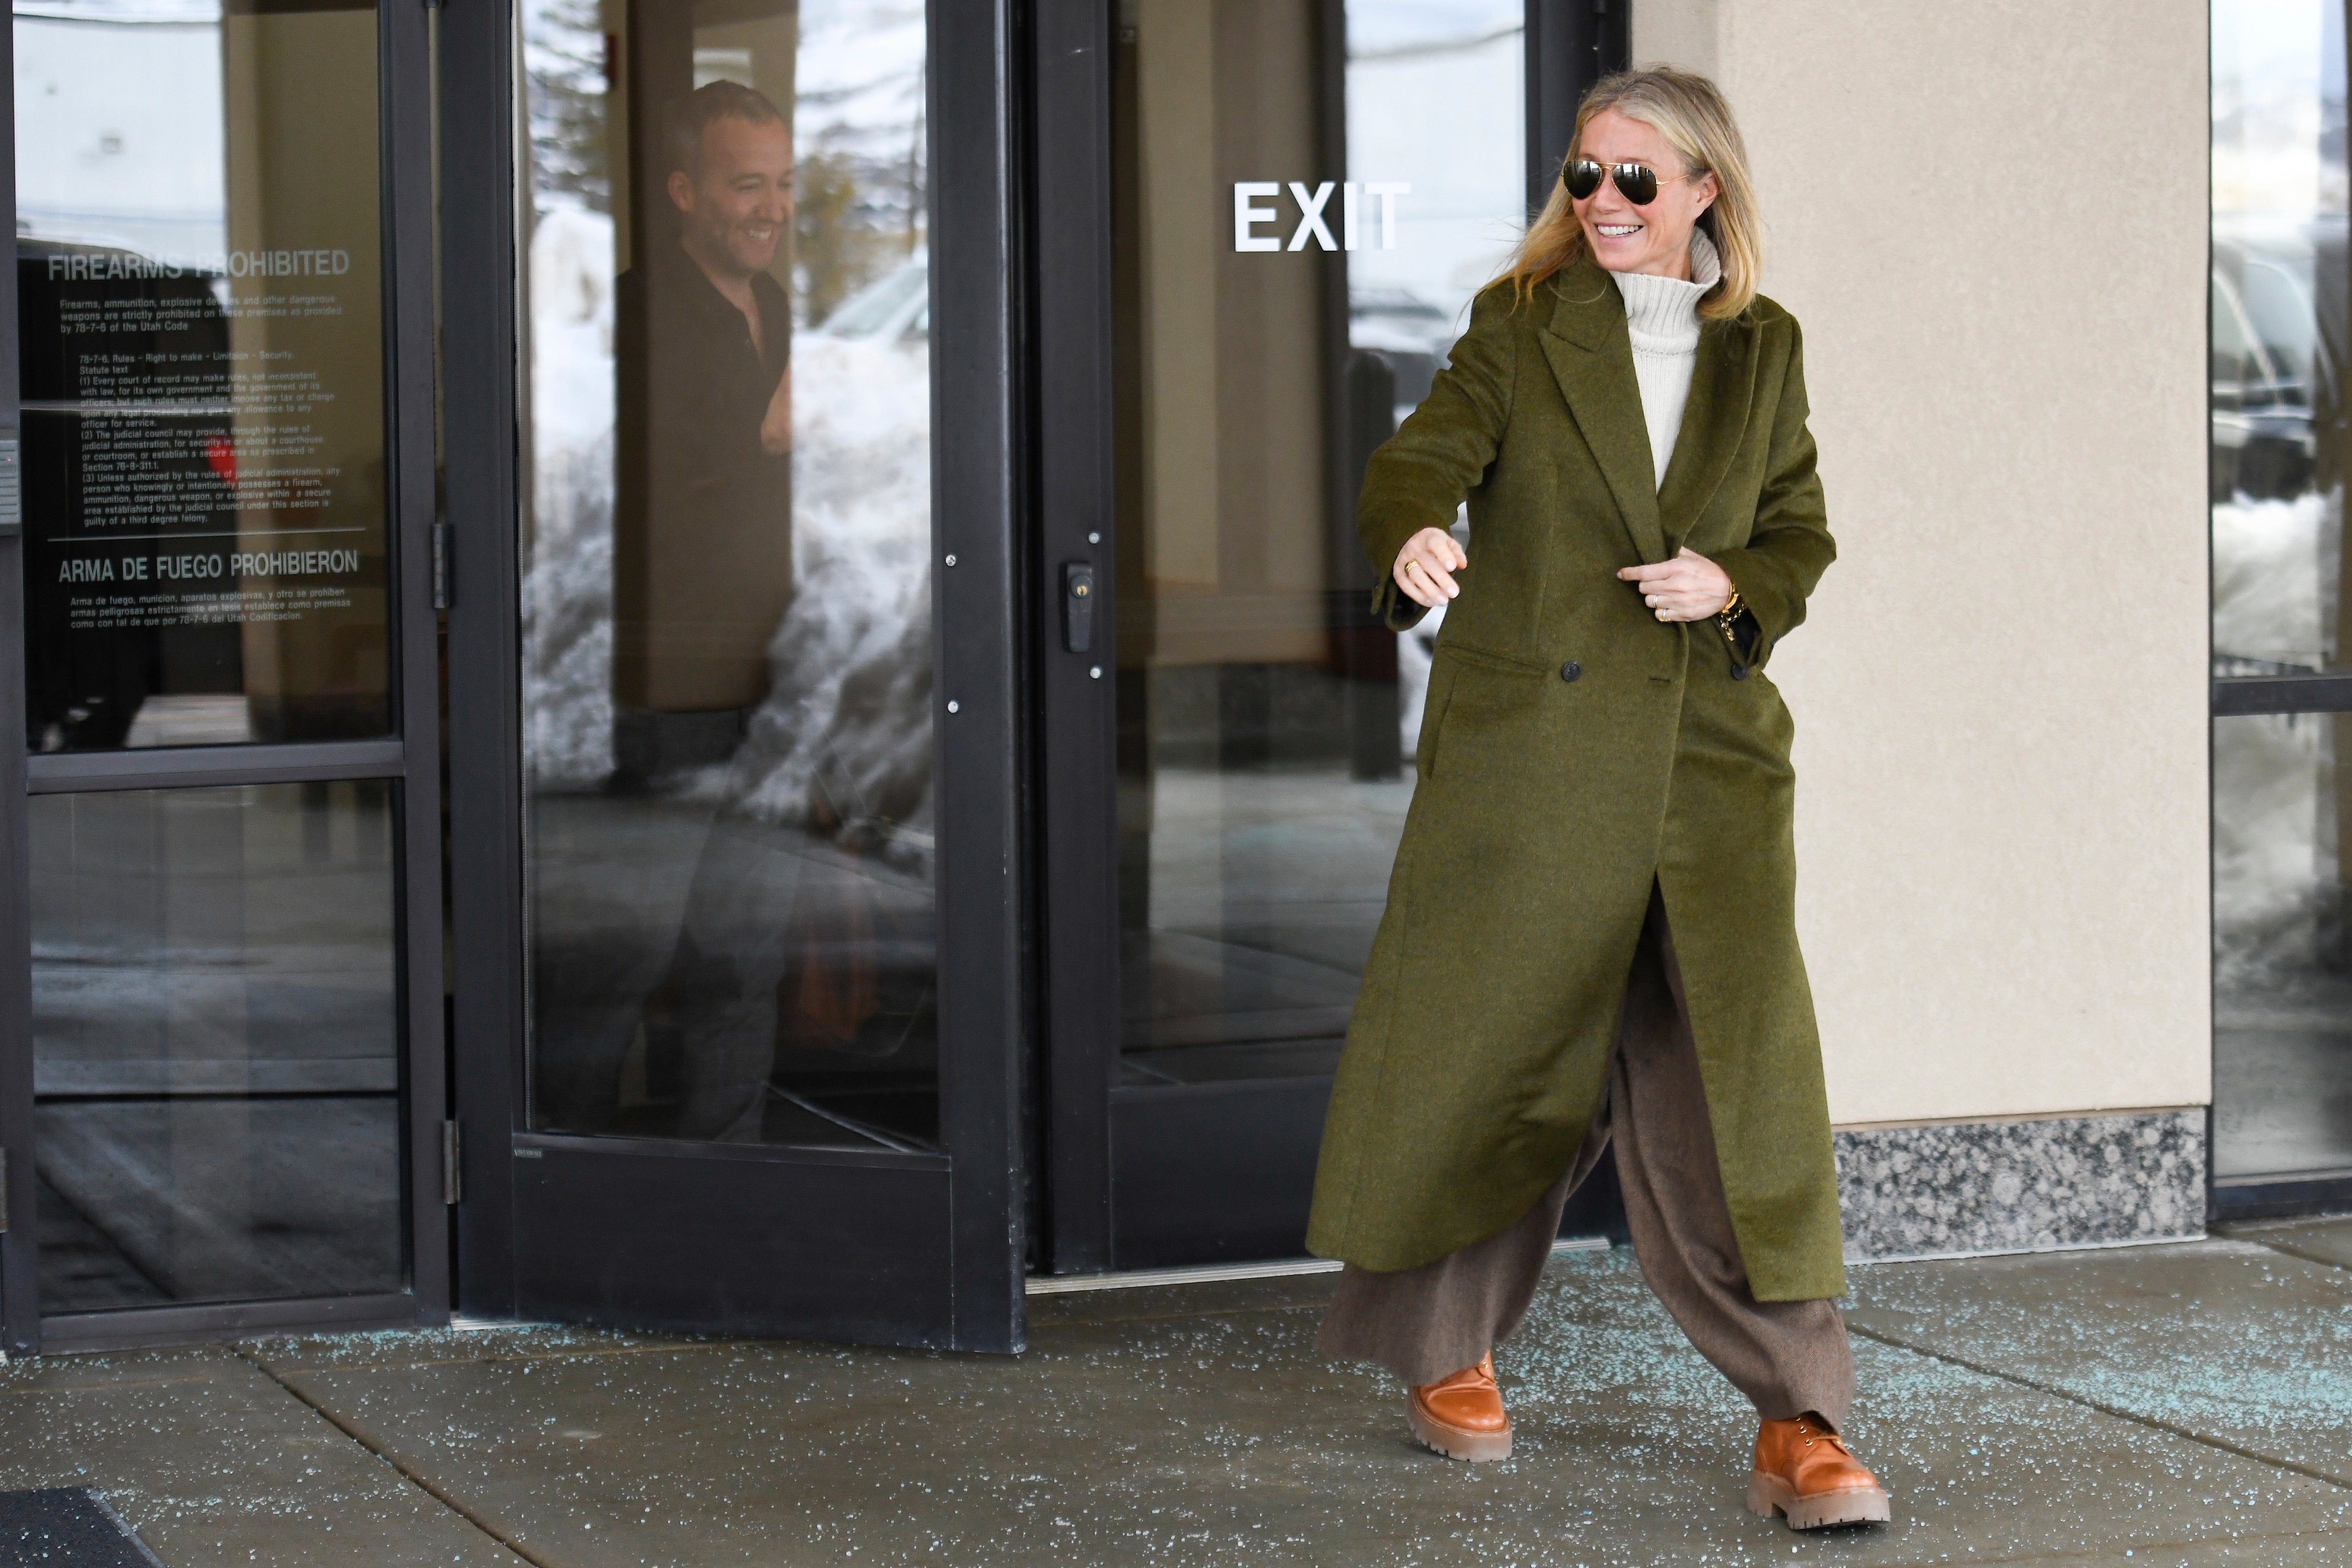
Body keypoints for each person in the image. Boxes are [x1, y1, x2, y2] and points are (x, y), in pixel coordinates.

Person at [1306, 67, 1890, 1533]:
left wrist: (1735, 585)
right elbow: (1420, 454)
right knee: (1506, 1065)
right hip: (1538, 770)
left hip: (1708, 774)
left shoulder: (1764, 349)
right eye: (1586, 176)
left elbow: (1802, 531)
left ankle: (1802, 1421)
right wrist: (1416, 535)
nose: (1606, 204)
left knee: (1731, 1097)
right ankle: (1445, 1353)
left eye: (1639, 179)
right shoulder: (1521, 324)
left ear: (1707, 190)